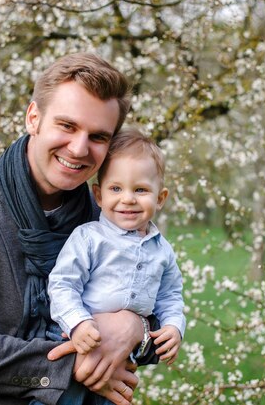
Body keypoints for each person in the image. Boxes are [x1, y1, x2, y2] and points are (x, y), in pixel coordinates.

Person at [0, 53, 155, 405]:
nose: (79, 148)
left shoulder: (113, 217)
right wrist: (69, 366)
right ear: (33, 118)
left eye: (98, 136)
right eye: (67, 126)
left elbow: (158, 311)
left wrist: (135, 327)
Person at [47, 130, 185, 387]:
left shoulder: (162, 250)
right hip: (78, 342)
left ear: (160, 198)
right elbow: (63, 284)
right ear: (99, 196)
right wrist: (79, 323)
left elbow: (170, 295)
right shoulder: (89, 238)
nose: (128, 199)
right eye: (116, 188)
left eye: (141, 189)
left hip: (123, 355)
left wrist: (174, 326)